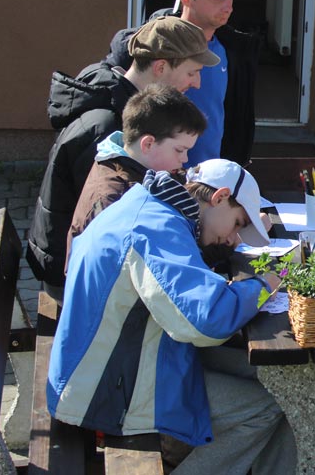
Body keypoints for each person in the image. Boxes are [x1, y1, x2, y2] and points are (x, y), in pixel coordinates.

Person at [48, 159, 296, 474]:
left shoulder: (156, 206)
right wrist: (266, 285)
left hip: (118, 360)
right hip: (102, 388)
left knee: (286, 382)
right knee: (266, 408)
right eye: (237, 223)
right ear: (220, 197)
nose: (233, 237)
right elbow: (207, 322)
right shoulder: (156, 228)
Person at [27, 16, 219, 301]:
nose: (197, 83)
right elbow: (105, 224)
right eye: (192, 72)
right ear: (161, 67)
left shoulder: (122, 107)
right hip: (72, 278)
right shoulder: (108, 125)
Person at [105, 0, 238, 167]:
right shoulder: (150, 46)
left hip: (206, 177)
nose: (228, 6)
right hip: (156, 176)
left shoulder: (230, 49)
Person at [66, 84, 207, 262]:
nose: (185, 159)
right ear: (148, 144)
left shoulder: (147, 173)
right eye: (179, 150)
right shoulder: (113, 197)